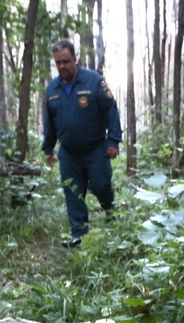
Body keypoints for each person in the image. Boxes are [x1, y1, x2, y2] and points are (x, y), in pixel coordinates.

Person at [42, 40, 122, 247]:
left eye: (66, 62)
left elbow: (110, 110)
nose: (62, 66)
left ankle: (110, 212)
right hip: (68, 153)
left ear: (75, 59)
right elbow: (49, 121)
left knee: (100, 185)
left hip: (95, 148)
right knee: (73, 193)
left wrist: (113, 140)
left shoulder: (93, 81)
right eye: (58, 63)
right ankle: (79, 235)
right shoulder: (52, 88)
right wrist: (48, 148)